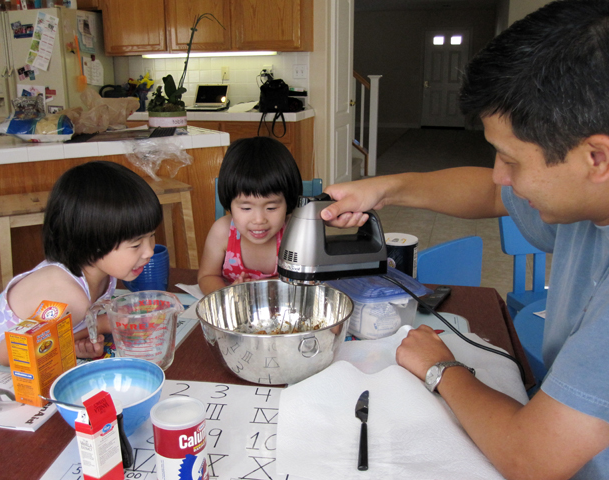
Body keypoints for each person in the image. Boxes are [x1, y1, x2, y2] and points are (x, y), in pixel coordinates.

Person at [320, 1, 609, 478]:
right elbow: (486, 191)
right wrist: (387, 187)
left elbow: (531, 457)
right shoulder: (586, 201)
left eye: (511, 160)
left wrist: (441, 369)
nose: (499, 176)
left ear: (595, 157)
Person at [0, 161, 163, 369]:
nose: (149, 251)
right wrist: (101, 325)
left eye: (151, 236)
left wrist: (79, 340)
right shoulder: (67, 296)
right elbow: (8, 353)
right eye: (135, 244)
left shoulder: (102, 273)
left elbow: (54, 336)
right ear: (90, 241)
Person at [198, 137, 302, 295]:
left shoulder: (296, 233)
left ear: (288, 202)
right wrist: (229, 295)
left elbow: (309, 282)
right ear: (229, 203)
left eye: (271, 207)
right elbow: (207, 276)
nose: (259, 220)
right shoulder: (222, 232)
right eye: (246, 208)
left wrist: (270, 289)